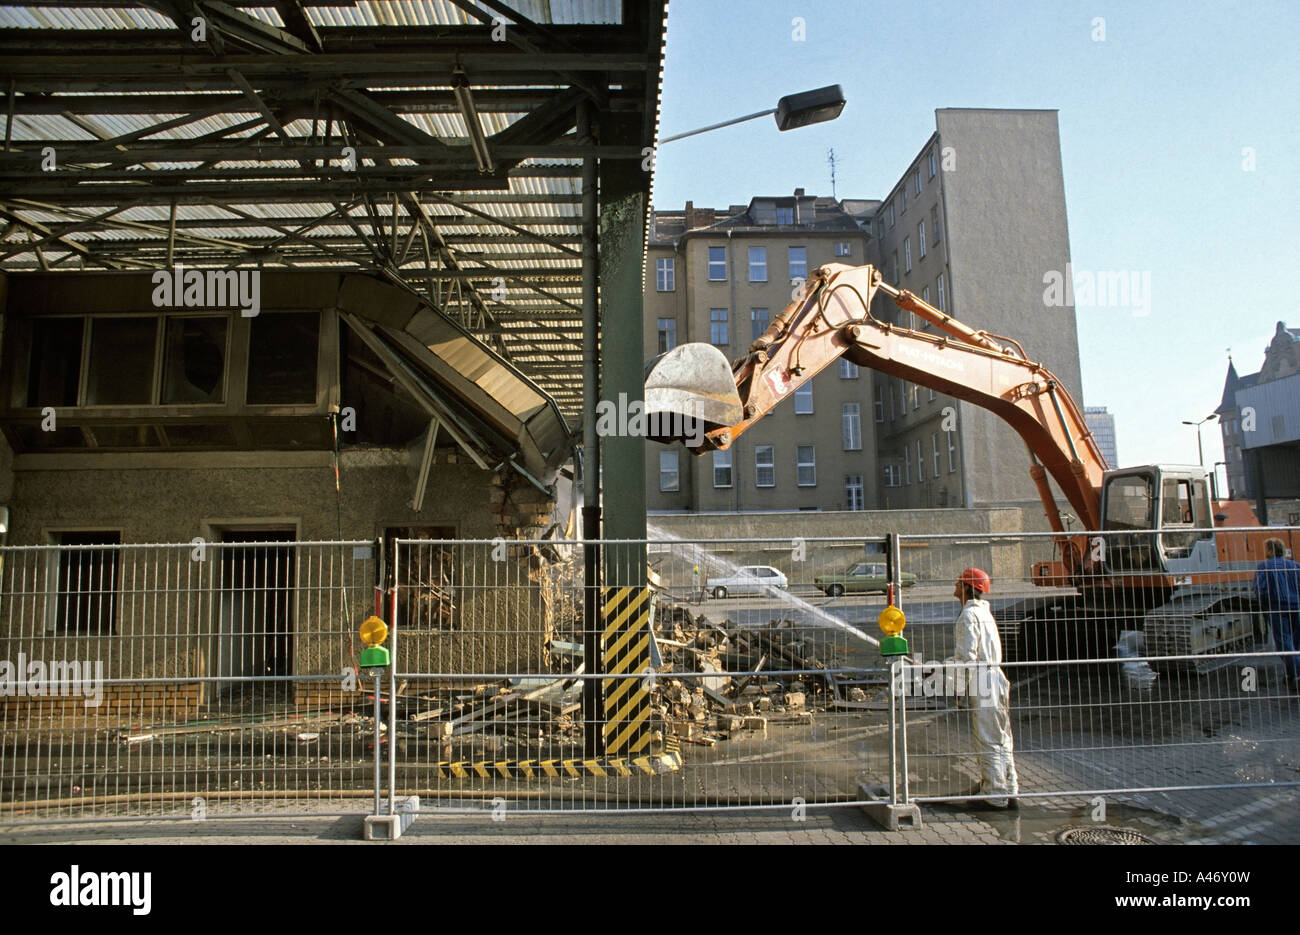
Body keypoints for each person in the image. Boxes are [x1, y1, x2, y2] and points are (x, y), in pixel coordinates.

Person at [950, 567, 1019, 809]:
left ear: (968, 588)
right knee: (1002, 736)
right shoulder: (985, 614)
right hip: (995, 677)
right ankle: (1009, 787)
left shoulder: (968, 615)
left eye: (959, 583)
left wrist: (936, 669)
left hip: (982, 681)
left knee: (988, 737)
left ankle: (994, 796)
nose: (955, 587)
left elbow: (966, 656)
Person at [1255, 539, 1300, 686]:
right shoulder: (1295, 566)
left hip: (1277, 608)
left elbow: (1261, 590)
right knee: (1295, 643)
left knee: (1284, 642)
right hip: (1297, 607)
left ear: (1269, 550)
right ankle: (1290, 673)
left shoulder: (1265, 567)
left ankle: (1297, 673)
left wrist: (1265, 606)